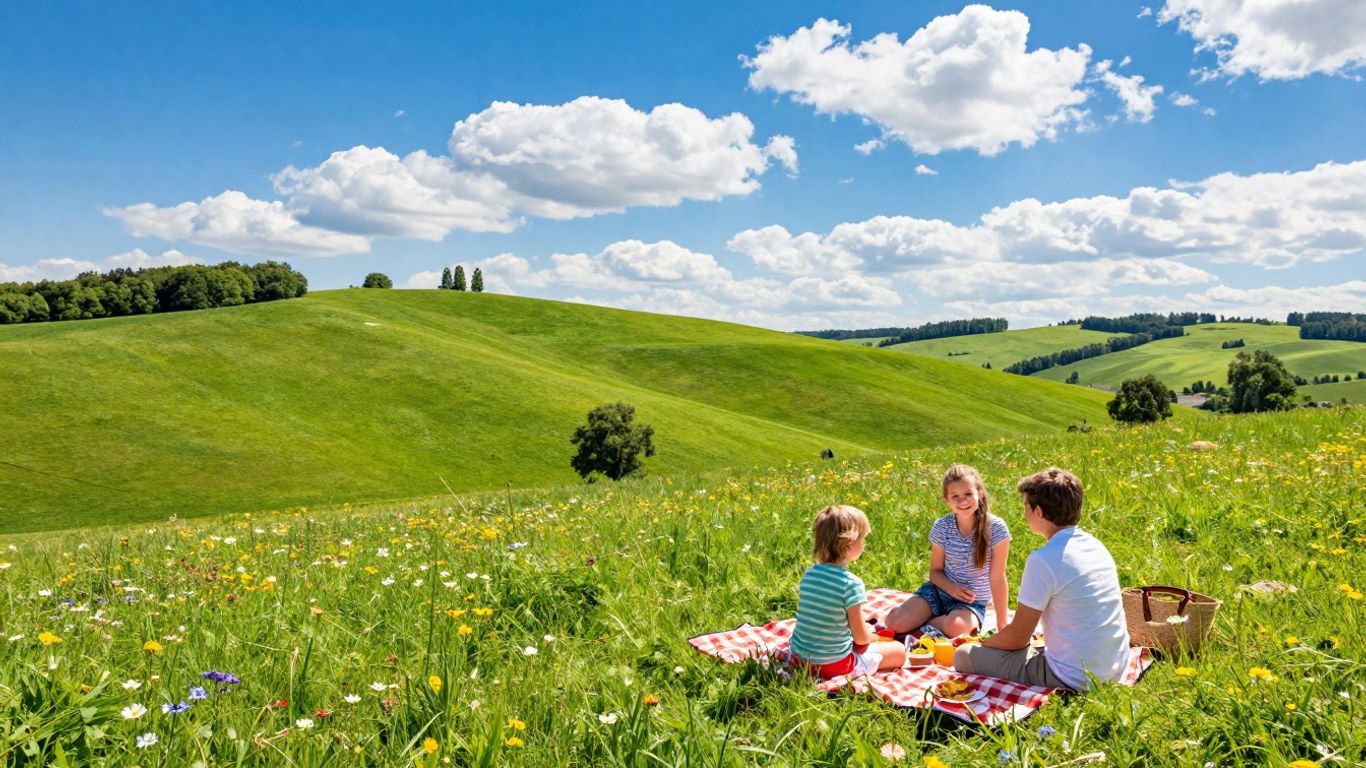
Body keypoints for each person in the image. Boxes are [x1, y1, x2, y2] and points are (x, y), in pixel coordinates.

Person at [953, 468, 1130, 690]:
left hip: (1076, 677)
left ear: (1038, 512)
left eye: (1026, 506)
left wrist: (982, 644)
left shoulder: (1044, 559)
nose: (1024, 512)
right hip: (1114, 668)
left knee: (963, 655)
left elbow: (1017, 638)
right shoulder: (1096, 546)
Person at [885, 464, 1011, 636]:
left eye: (968, 494)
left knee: (958, 628)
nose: (962, 501)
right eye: (955, 496)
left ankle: (928, 621)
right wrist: (951, 588)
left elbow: (997, 579)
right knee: (894, 624)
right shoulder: (942, 526)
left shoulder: (996, 528)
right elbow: (935, 572)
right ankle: (922, 616)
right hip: (938, 592)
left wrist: (1002, 624)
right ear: (947, 500)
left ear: (980, 493)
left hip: (971, 603)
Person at [788, 505, 907, 679]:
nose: (865, 544)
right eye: (863, 539)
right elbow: (860, 639)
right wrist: (873, 638)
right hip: (832, 665)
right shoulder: (850, 584)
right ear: (849, 543)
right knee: (899, 651)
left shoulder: (809, 574)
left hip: (799, 660)